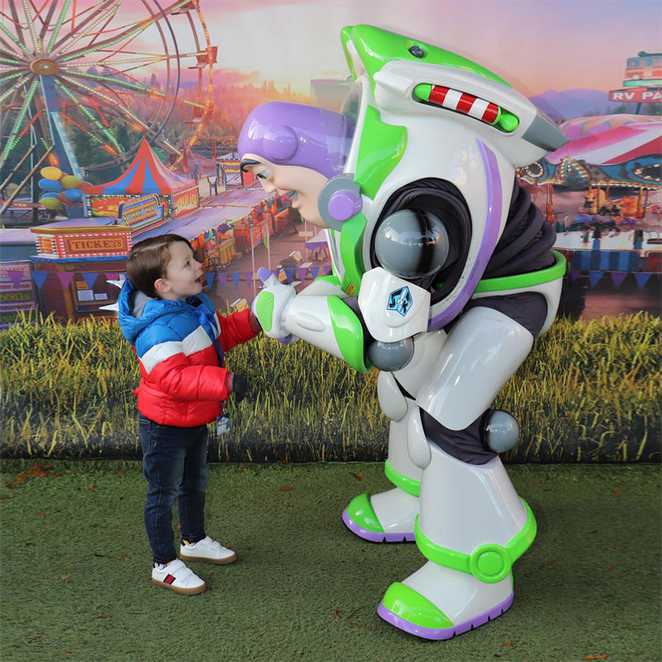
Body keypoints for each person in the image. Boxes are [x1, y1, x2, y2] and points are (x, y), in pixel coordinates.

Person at [240, 24, 566, 640]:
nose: (267, 190)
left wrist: (289, 315)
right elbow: (389, 315)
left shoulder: (406, 212)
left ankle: (478, 566)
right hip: (456, 293)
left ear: (300, 156)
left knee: (448, 414)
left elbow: (381, 337)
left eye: (264, 173)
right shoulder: (370, 185)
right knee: (403, 394)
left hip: (513, 296)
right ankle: (421, 496)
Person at [118, 233, 261, 595]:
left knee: (193, 484)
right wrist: (224, 381)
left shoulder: (193, 307)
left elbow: (220, 334)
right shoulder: (155, 330)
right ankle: (163, 563)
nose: (200, 265)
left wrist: (255, 320)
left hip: (194, 419)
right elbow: (174, 378)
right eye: (188, 263)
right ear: (162, 285)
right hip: (164, 426)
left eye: (194, 257)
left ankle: (193, 540)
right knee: (163, 493)